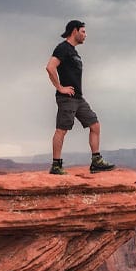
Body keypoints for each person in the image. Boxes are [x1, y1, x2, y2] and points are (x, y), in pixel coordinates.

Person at [46, 20, 115, 175]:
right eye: (83, 31)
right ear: (74, 31)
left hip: (78, 98)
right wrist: (60, 88)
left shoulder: (74, 51)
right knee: (61, 130)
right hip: (67, 98)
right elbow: (50, 67)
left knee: (95, 125)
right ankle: (56, 165)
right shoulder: (63, 48)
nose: (85, 35)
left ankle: (96, 161)